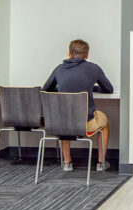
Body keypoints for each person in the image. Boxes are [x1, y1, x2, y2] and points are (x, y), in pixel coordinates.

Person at [43, 39, 114, 172]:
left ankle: (67, 162)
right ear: (86, 55)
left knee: (65, 117)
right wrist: (91, 88)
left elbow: (45, 89)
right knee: (104, 121)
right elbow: (109, 89)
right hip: (84, 124)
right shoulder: (94, 68)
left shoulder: (59, 69)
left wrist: (64, 90)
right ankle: (101, 162)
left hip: (62, 124)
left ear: (69, 54)